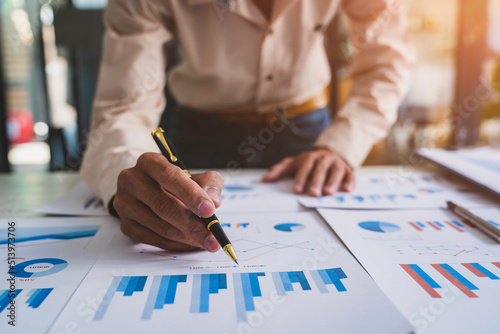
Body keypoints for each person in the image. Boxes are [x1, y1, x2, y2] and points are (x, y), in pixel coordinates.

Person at [80, 0, 415, 254]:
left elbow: (388, 57)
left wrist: (343, 144)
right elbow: (125, 106)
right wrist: (130, 177)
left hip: (308, 136)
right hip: (198, 136)